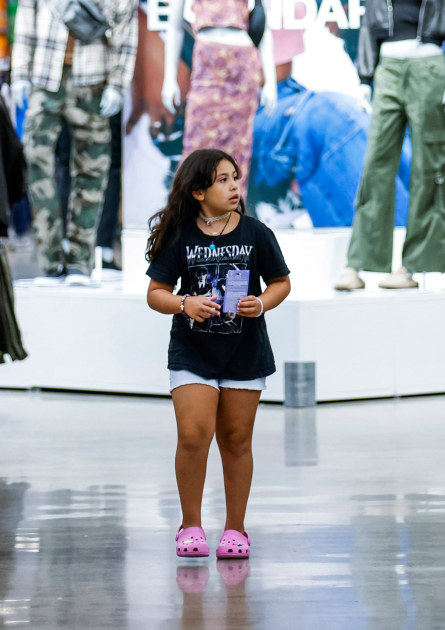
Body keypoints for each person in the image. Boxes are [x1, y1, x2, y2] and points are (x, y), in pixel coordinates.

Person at [145, 149, 292, 559]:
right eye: (222, 180)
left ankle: (235, 530)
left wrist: (261, 302)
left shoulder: (256, 233)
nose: (233, 186)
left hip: (245, 352)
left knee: (236, 438)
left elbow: (281, 282)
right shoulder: (179, 236)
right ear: (197, 192)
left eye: (234, 177)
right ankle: (190, 525)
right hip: (192, 352)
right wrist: (183, 303)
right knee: (193, 435)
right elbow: (155, 294)